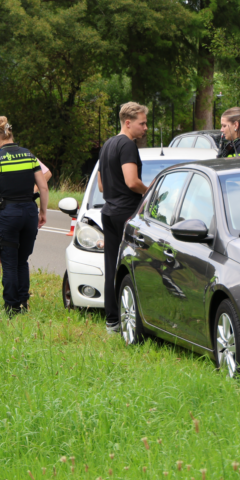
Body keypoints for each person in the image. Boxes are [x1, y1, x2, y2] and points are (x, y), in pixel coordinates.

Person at [0, 119, 52, 313]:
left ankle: (11, 306)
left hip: (8, 214)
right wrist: (42, 211)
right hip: (29, 213)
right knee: (22, 260)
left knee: (8, 262)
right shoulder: (29, 155)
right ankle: (24, 303)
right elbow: (43, 186)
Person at [98, 102, 150, 333]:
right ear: (128, 123)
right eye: (142, 123)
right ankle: (135, 320)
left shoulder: (108, 144)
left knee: (112, 266)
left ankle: (112, 321)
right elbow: (132, 182)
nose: (146, 128)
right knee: (134, 266)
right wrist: (151, 193)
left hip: (108, 211)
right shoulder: (127, 145)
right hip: (127, 212)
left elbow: (100, 185)